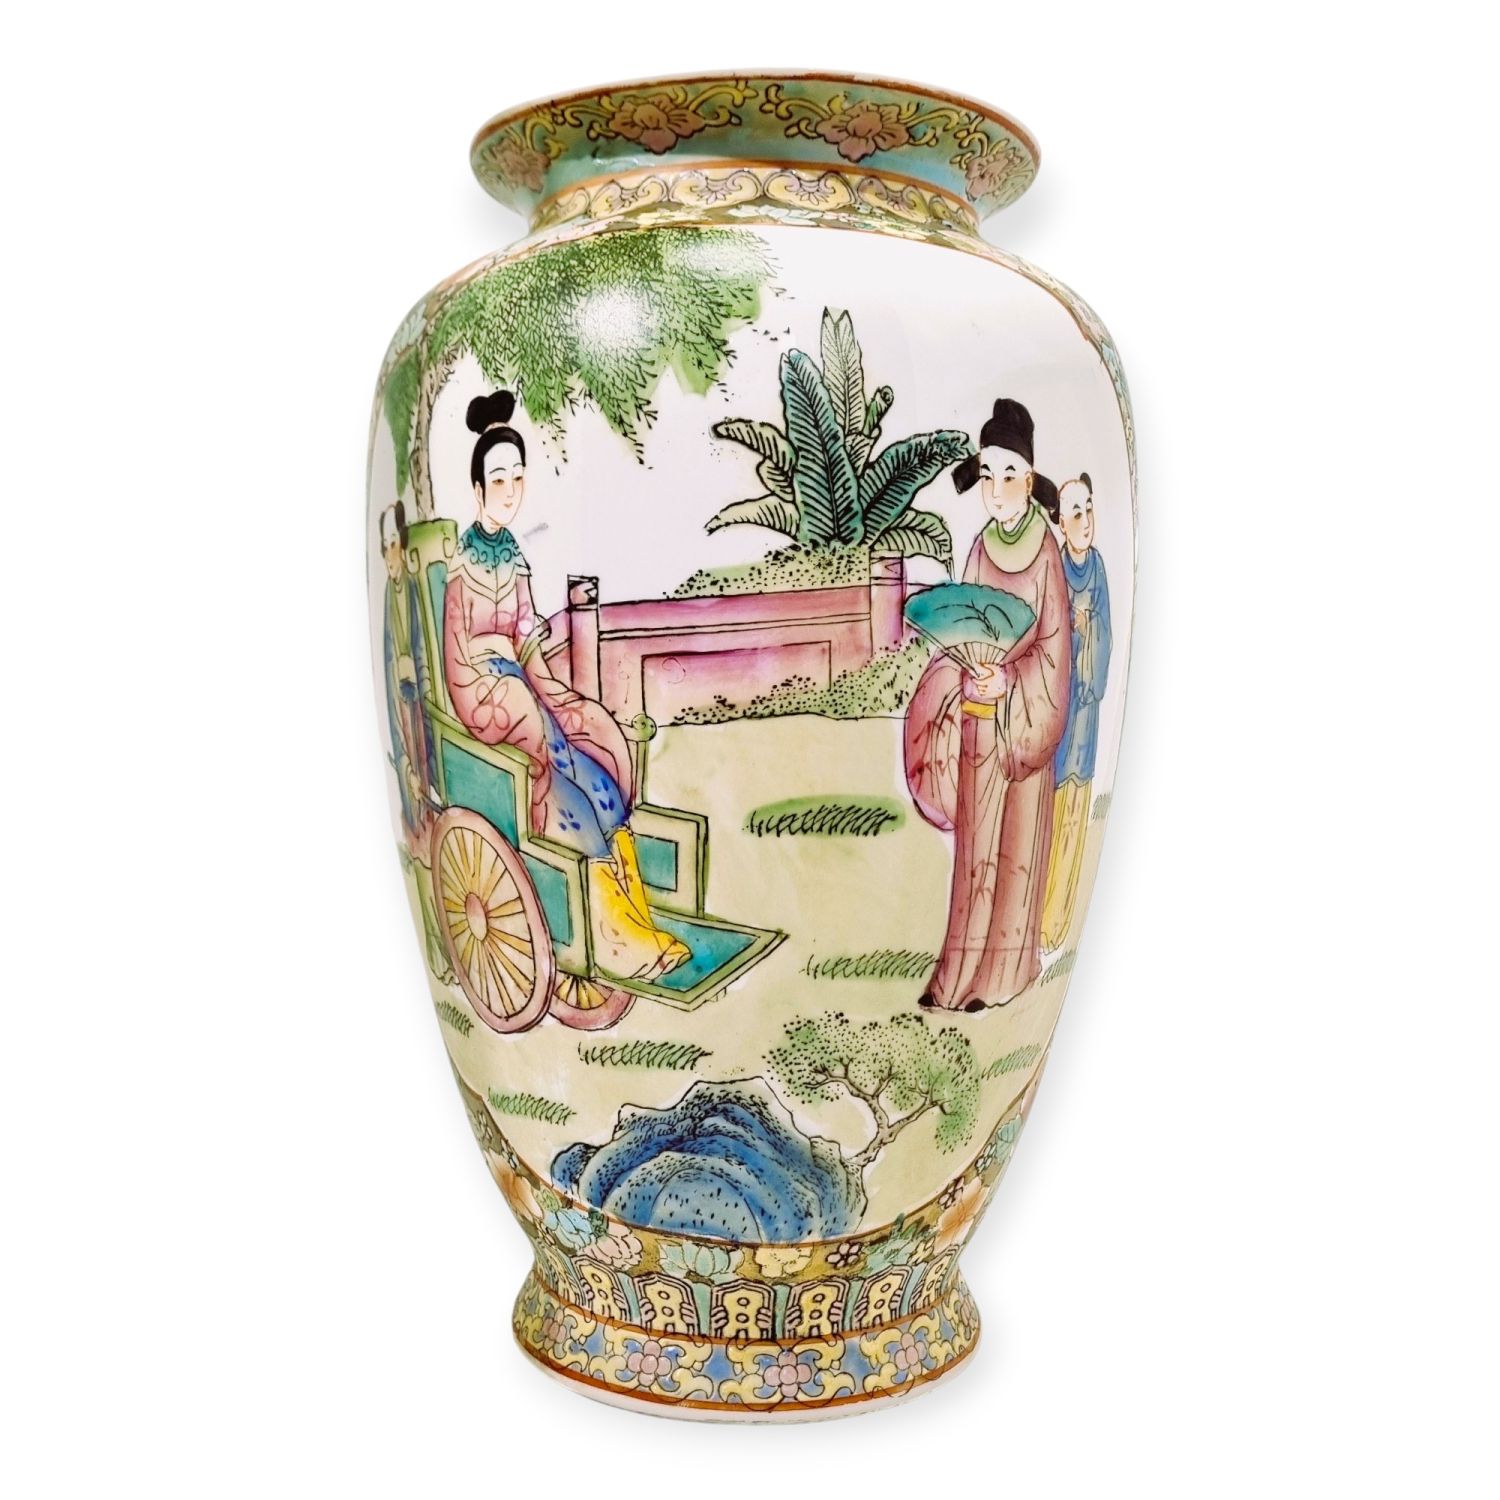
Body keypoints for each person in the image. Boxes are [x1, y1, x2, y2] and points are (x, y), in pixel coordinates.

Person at [442, 390, 689, 982]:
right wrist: (505, 686)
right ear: (476, 489)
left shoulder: (513, 556)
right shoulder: (461, 567)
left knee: (599, 782)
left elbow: (528, 631)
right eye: (497, 480)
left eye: (517, 478)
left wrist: (550, 689)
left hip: (522, 689)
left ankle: (639, 923)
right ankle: (619, 944)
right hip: (487, 697)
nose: (509, 491)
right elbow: (458, 655)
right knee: (570, 798)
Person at [904, 398, 1071, 1010]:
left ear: (1029, 480)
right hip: (978, 717)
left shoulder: (1045, 553)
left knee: (1014, 850)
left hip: (1022, 721)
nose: (997, 490)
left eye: (1010, 476)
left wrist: (1012, 682)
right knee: (976, 852)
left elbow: (1055, 650)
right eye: (988, 475)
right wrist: (965, 674)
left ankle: (1000, 976)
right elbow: (966, 626)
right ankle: (957, 973)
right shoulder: (979, 547)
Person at [1041, 474, 1112, 951]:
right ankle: (1041, 922)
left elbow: (1105, 634)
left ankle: (1059, 926)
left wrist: (1089, 651)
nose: (1085, 520)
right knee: (1051, 818)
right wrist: (1073, 631)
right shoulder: (1056, 569)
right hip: (1059, 714)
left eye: (1088, 509)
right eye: (1075, 513)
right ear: (1060, 523)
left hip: (1086, 716)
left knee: (1075, 819)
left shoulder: (1099, 568)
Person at [381, 501, 434, 856]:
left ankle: (425, 822)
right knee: (407, 753)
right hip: (399, 694)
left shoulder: (412, 587)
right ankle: (415, 831)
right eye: (384, 548)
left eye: (393, 546)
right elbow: (389, 648)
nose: (389, 556)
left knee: (421, 752)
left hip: (416, 692)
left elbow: (421, 644)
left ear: (402, 544)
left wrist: (418, 677)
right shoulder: (388, 592)